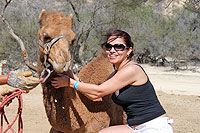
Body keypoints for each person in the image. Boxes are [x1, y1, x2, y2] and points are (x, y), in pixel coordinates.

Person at [51, 29, 173, 133]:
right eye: (109, 46)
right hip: (134, 127)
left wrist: (70, 83)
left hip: (153, 127)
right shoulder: (115, 74)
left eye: (119, 46)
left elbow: (98, 91)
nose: (113, 50)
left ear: (129, 50)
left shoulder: (132, 70)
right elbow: (95, 96)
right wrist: (72, 76)